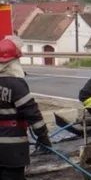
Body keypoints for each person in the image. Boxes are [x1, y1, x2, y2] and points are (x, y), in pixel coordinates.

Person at [0, 36, 52, 179]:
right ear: (13, 62)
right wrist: (43, 136)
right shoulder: (16, 85)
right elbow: (32, 113)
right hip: (12, 150)